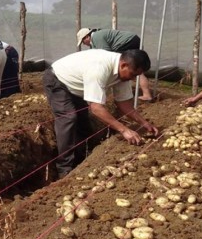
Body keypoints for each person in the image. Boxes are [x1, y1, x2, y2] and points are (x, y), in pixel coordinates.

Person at [43, 49, 159, 178]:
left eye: (136, 76)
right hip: (58, 80)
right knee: (69, 118)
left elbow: (124, 103)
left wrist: (144, 123)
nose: (133, 79)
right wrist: (124, 130)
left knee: (83, 122)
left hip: (78, 86)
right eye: (133, 74)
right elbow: (96, 108)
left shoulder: (123, 74)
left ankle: (84, 158)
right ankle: (64, 169)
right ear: (124, 65)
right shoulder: (99, 68)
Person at [77, 28, 153, 101]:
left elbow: (106, 54)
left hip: (128, 42)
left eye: (83, 42)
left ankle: (120, 95)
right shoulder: (95, 40)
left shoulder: (96, 37)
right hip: (132, 40)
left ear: (87, 36)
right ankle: (146, 94)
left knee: (118, 67)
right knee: (135, 68)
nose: (84, 44)